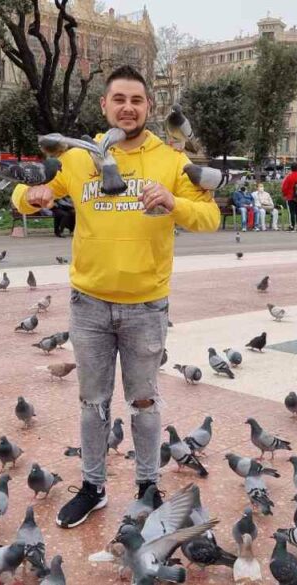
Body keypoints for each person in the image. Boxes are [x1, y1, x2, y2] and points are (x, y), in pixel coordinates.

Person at [11, 64, 221, 529]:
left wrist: (174, 201)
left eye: (137, 100)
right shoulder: (80, 156)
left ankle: (148, 485)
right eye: (119, 99)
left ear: (148, 107)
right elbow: (24, 195)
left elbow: (210, 218)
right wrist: (35, 195)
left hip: (146, 305)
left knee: (144, 403)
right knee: (92, 402)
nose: (128, 108)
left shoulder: (169, 159)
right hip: (88, 305)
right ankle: (93, 487)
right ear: (105, 105)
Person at [282, 163, 297, 232]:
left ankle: (292, 226)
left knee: (291, 212)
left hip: (290, 197)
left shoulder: (289, 176)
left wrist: (284, 195)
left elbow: (284, 187)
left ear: (291, 169)